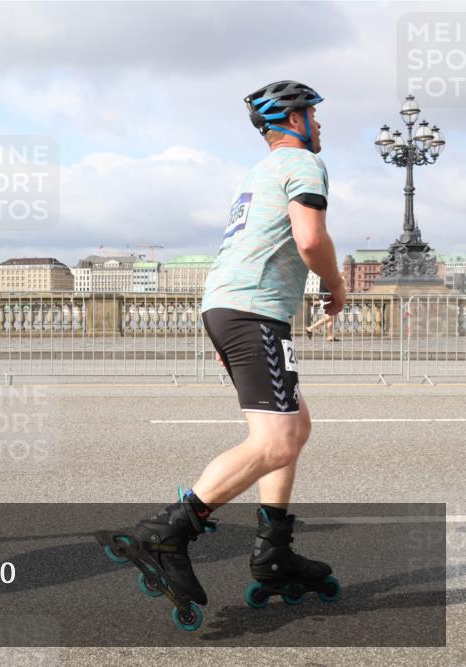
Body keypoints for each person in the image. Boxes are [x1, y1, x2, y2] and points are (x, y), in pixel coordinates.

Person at [97, 81, 344, 630]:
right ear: (296, 121)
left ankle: (274, 549)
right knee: (275, 439)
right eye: (315, 115)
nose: (321, 125)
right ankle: (167, 535)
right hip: (251, 312)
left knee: (293, 428)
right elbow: (309, 239)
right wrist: (336, 283)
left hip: (237, 309)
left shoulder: (256, 176)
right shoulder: (302, 164)